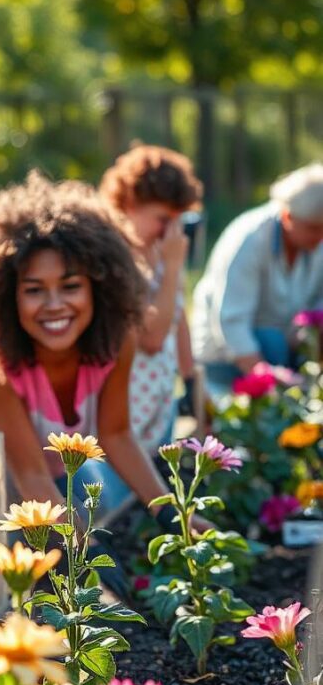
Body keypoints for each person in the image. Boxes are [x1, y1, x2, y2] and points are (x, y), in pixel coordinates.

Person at [0, 172, 173, 526]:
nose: (54, 305)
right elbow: (28, 473)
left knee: (97, 508)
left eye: (70, 286)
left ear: (99, 287)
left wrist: (171, 513)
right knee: (15, 503)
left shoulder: (117, 339)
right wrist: (83, 551)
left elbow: (117, 435)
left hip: (56, 472)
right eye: (34, 290)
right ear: (6, 296)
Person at [99, 145, 204, 454]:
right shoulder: (116, 255)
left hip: (158, 398)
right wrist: (172, 267)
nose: (171, 231)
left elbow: (177, 317)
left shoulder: (162, 251)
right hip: (126, 401)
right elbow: (152, 338)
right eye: (163, 219)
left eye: (178, 220)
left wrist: (192, 383)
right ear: (130, 203)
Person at [192, 162, 323, 399]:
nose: (320, 236)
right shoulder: (249, 239)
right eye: (314, 228)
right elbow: (231, 322)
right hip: (227, 357)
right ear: (287, 216)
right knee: (271, 342)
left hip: (285, 350)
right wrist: (267, 380)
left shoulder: (316, 242)